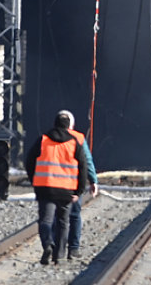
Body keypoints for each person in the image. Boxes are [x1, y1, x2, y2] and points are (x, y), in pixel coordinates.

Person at [25, 112, 91, 265]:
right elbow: (83, 167)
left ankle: (47, 243)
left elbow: (29, 160)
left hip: (45, 188)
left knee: (45, 220)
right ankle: (59, 255)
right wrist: (79, 191)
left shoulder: (43, 140)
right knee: (63, 222)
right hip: (66, 190)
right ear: (69, 127)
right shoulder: (74, 143)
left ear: (54, 124)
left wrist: (34, 180)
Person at [58, 110, 99, 259]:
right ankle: (73, 249)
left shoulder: (48, 137)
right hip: (74, 184)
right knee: (74, 215)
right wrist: (93, 180)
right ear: (72, 125)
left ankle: (58, 249)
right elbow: (87, 161)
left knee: (58, 216)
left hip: (55, 184)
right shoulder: (79, 138)